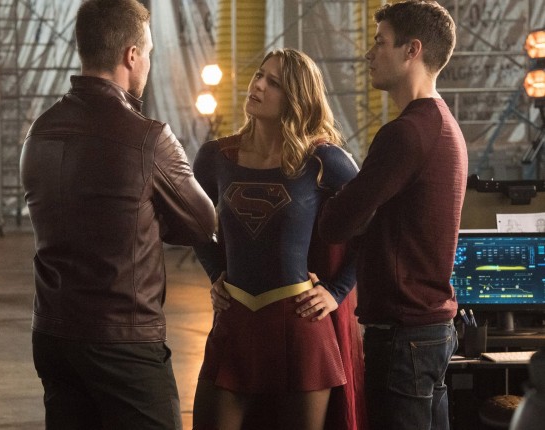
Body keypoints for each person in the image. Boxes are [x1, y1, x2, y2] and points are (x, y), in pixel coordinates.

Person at [19, 1, 216, 428]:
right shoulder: (148, 138)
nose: (148, 63)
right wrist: (152, 215)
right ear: (131, 54)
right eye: (149, 53)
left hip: (53, 333)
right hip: (123, 339)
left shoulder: (40, 131)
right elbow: (203, 223)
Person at [191, 48, 365, 430]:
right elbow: (191, 221)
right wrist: (215, 272)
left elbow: (372, 225)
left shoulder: (323, 160)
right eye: (259, 75)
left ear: (296, 99)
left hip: (300, 327)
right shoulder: (216, 156)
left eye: (274, 83)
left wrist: (336, 291)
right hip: (234, 322)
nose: (257, 85)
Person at [318, 1, 467, 429]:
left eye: (380, 42)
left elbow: (335, 223)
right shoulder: (443, 123)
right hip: (430, 330)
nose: (369, 54)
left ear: (411, 50)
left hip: (404, 335)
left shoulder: (405, 133)